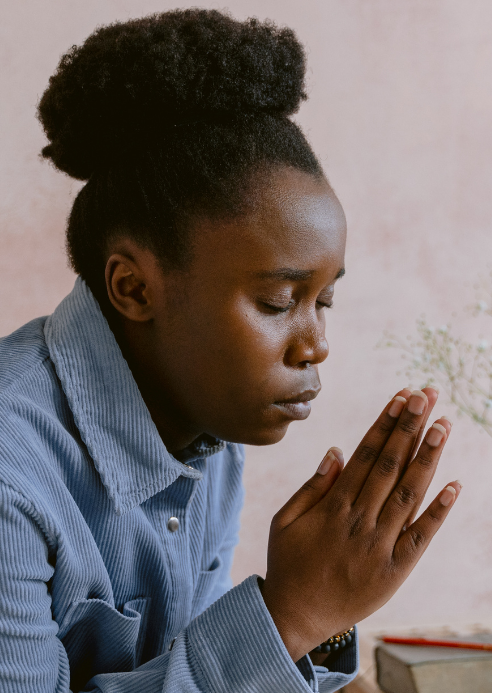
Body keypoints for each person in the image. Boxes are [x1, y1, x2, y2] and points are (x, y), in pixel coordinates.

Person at [0, 8, 460, 692]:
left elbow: (182, 661)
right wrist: (292, 613)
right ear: (133, 286)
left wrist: (321, 633)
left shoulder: (205, 424)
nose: (316, 345)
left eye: (323, 299)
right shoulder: (12, 470)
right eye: (277, 302)